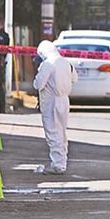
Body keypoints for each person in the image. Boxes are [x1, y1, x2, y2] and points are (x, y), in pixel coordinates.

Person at [33, 41, 77, 174]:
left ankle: (57, 164)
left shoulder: (48, 64)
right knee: (61, 132)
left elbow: (38, 84)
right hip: (64, 100)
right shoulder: (66, 62)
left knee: (52, 132)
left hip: (51, 102)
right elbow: (75, 78)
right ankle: (61, 162)